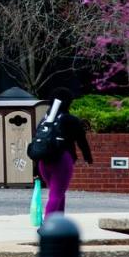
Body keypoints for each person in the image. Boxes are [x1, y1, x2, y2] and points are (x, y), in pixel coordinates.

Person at [37, 88, 92, 216]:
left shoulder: (45, 120)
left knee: (58, 192)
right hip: (62, 160)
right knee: (56, 195)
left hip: (43, 161)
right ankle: (48, 226)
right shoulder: (70, 119)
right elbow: (81, 140)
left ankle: (58, 221)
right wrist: (87, 157)